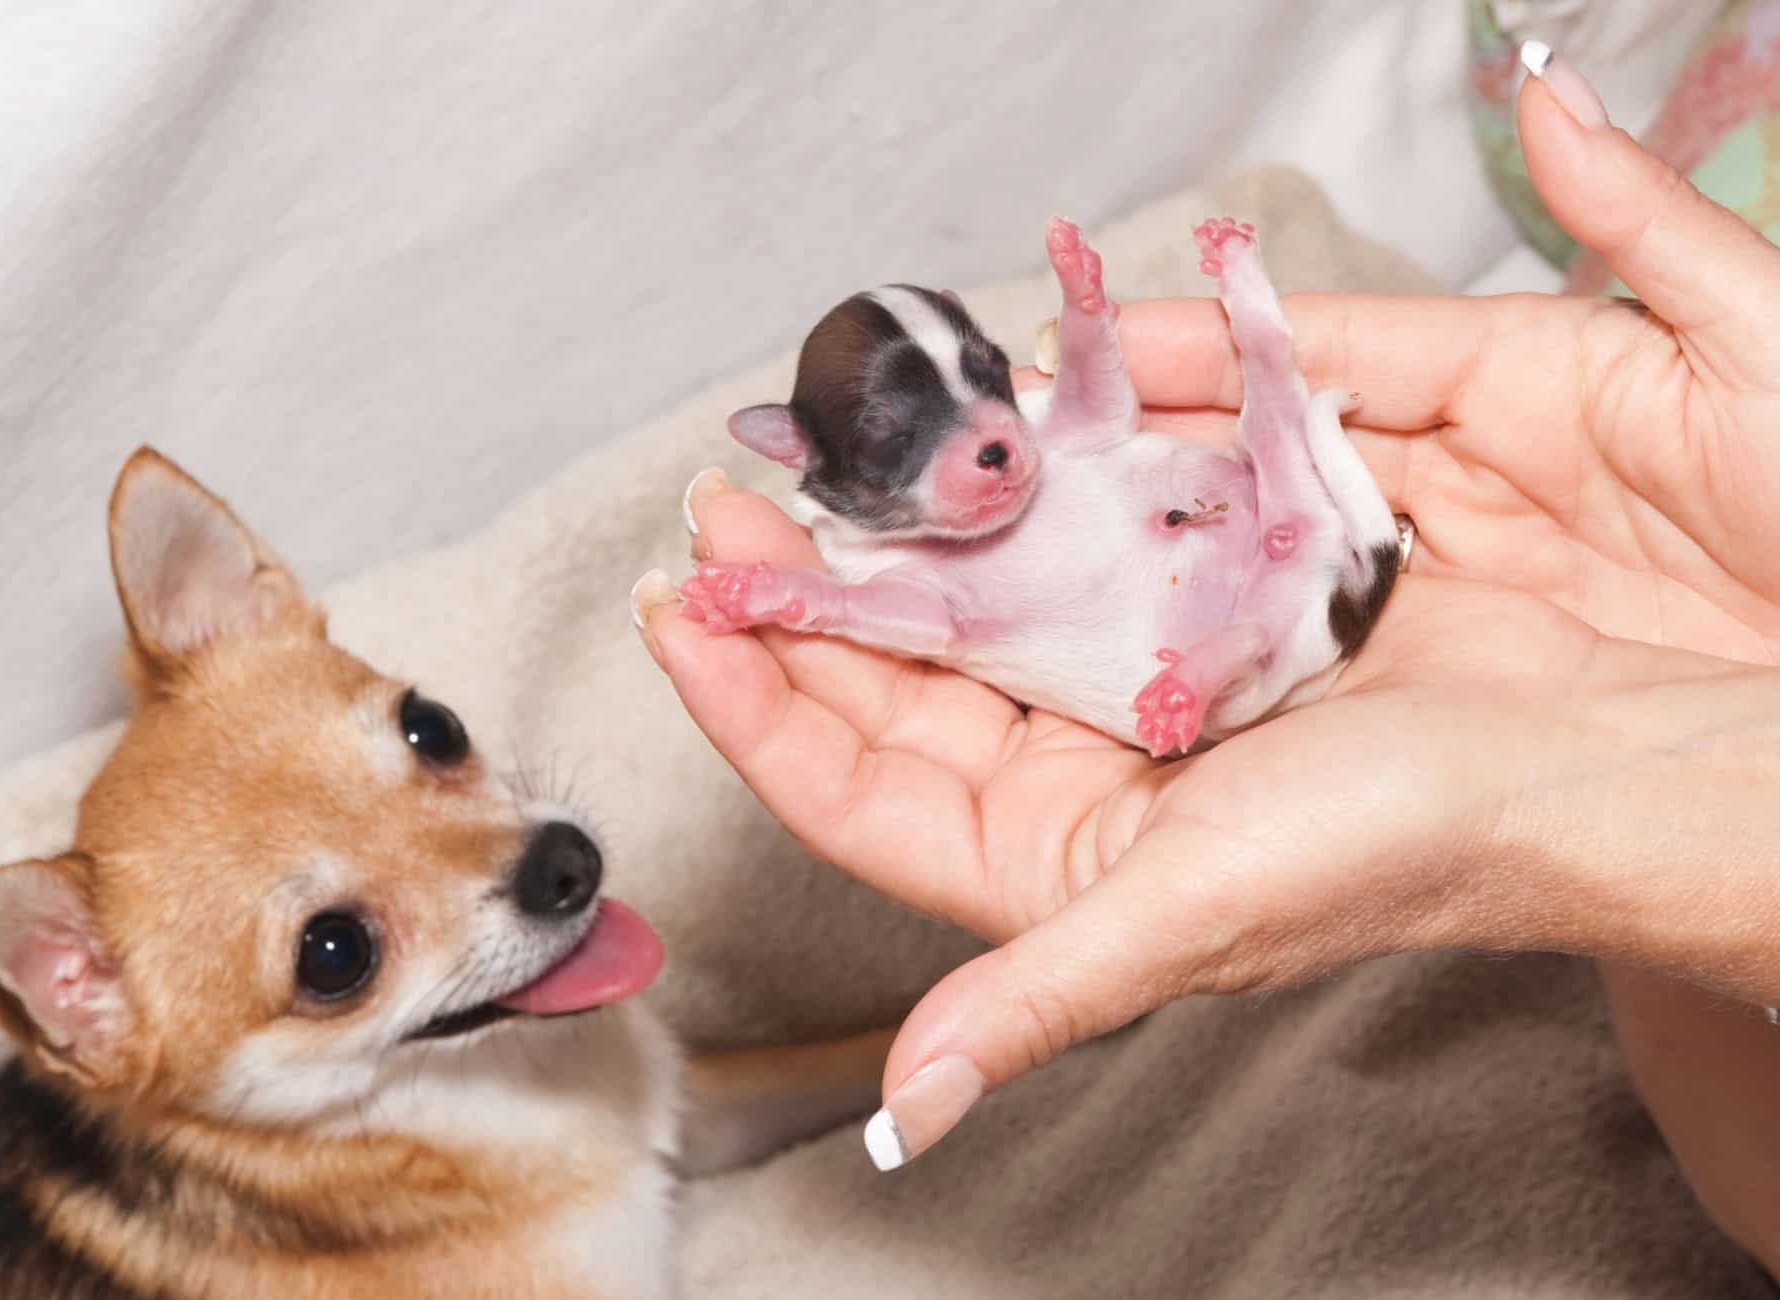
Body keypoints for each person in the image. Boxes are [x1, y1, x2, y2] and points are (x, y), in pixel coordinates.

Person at [633, 44, 1780, 1275]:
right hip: (1253, 618)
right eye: (904, 436)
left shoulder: (1037, 451)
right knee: (1267, 483)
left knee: (1282, 420)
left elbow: (1094, 418)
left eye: (983, 382)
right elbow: (935, 620)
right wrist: (796, 597)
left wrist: (1085, 319)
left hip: (1293, 563)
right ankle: (1220, 620)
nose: (988, 443)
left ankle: (1246, 411)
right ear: (814, 467)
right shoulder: (890, 569)